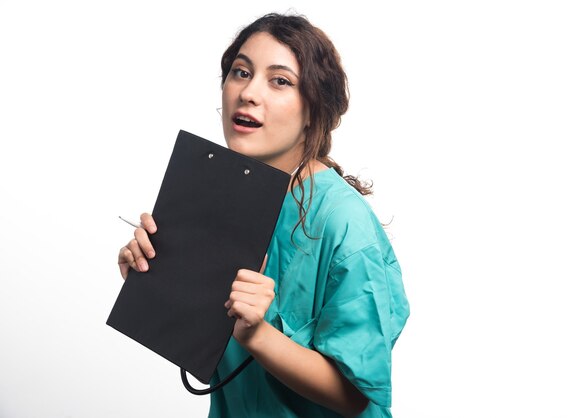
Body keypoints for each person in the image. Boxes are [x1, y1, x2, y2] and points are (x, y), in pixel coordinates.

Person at [117, 12, 409, 418]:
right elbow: (208, 352)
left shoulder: (344, 222)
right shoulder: (219, 197)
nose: (248, 93)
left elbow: (355, 395)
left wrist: (259, 335)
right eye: (240, 72)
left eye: (280, 80)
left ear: (314, 110)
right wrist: (156, 279)